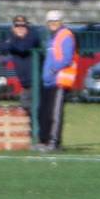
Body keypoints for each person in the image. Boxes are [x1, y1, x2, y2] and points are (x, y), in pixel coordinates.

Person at [39, 9, 77, 151]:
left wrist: (54, 69)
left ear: (60, 22)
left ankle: (54, 142)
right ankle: (45, 140)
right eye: (50, 22)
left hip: (59, 80)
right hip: (49, 81)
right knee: (45, 112)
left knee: (55, 113)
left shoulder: (65, 36)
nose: (53, 24)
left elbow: (66, 59)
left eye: (56, 21)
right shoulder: (52, 38)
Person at [1, 15, 41, 113]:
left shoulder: (33, 35)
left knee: (35, 111)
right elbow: (2, 47)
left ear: (27, 26)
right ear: (13, 27)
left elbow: (23, 48)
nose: (20, 28)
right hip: (25, 83)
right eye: (17, 25)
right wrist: (13, 40)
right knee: (25, 110)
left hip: (36, 82)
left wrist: (12, 41)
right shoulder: (12, 37)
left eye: (23, 25)